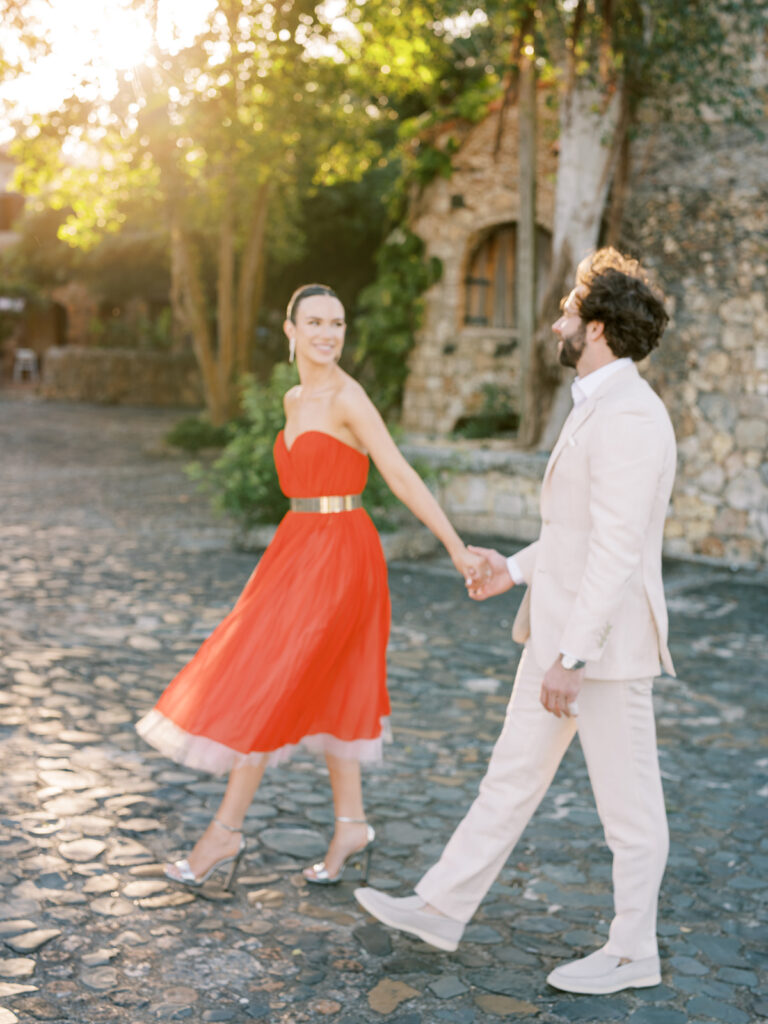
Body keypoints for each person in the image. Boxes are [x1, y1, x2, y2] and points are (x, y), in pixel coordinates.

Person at [354, 247, 677, 996]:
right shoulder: (597, 403)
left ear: (595, 328)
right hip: (560, 635)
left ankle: (634, 951)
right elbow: (574, 536)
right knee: (508, 781)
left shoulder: (631, 417)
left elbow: (618, 551)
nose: (556, 321)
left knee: (630, 811)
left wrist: (574, 656)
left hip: (600, 650)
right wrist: (516, 570)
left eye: (567, 309)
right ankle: (440, 907)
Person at [137, 284, 485, 890]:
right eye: (316, 322)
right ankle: (350, 825)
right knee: (330, 685)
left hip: (344, 557)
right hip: (296, 551)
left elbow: (398, 472)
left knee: (269, 681)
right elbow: (302, 496)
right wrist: (275, 566)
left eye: (338, 323)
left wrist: (455, 548)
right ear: (291, 331)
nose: (329, 333)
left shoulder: (350, 397)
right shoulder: (294, 397)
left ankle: (225, 833)